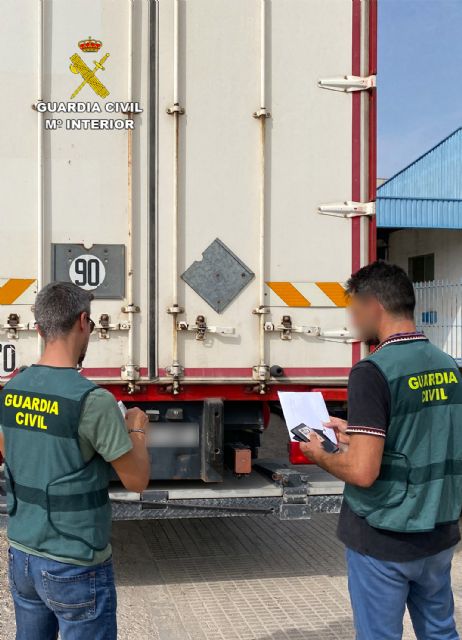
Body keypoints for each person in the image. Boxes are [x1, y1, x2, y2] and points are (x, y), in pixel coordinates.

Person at [300, 261, 462, 640]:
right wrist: (354, 433)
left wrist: (319, 454)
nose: (353, 321)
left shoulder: (373, 371)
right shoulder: (448, 367)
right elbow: (425, 436)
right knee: (440, 633)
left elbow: (362, 473)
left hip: (385, 537)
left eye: (354, 310)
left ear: (375, 305)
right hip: (438, 534)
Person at [0, 282, 151, 640]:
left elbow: (9, 450)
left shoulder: (11, 389)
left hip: (23, 554)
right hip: (73, 560)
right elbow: (137, 480)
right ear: (84, 321)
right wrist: (137, 430)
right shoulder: (92, 400)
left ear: (38, 328)